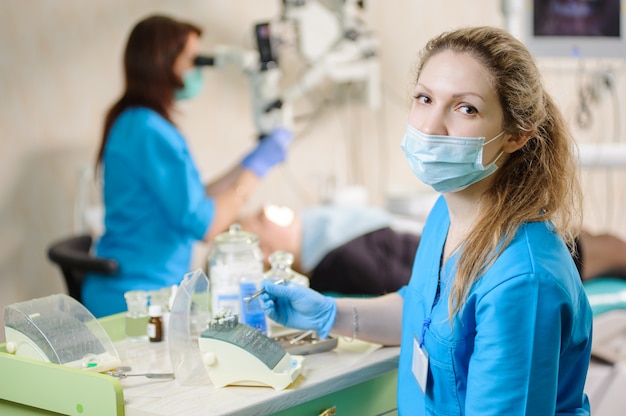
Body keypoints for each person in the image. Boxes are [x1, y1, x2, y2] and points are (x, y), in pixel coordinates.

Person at [258, 26, 593, 414]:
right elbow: (427, 313)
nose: (431, 127)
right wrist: (329, 314)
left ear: (516, 135)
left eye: (466, 108)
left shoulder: (522, 282)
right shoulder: (446, 214)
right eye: (425, 98)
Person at [82, 15, 292, 318]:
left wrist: (250, 160)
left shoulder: (136, 122)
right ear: (164, 63)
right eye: (194, 60)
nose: (199, 70)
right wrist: (256, 169)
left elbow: (191, 199)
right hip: (135, 299)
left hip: (145, 288)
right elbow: (204, 225)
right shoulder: (148, 131)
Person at [239, 203, 626, 296]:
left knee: (598, 241)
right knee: (610, 249)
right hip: (502, 261)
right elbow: (414, 290)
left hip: (497, 247)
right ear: (267, 254)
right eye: (261, 220)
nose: (270, 212)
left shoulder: (331, 229)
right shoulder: (338, 259)